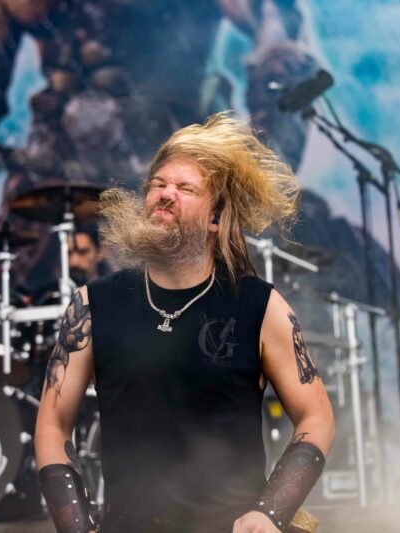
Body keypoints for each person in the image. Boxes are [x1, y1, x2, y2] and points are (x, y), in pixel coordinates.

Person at [0, 0, 318, 300]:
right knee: (2, 340)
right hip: (51, 192)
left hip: (167, 190)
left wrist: (263, 159)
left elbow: (280, 42)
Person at [34, 113, 335, 533]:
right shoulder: (92, 304)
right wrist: (77, 528)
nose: (165, 194)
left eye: (185, 188)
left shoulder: (259, 306)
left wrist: (271, 513)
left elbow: (316, 416)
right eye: (157, 184)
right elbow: (52, 423)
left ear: (216, 217)